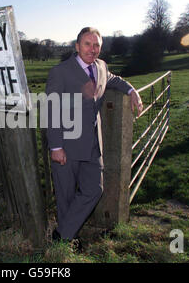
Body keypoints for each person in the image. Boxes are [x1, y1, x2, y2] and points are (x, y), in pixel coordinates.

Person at [46, 27, 143, 248]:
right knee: (66, 196)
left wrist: (131, 91)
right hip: (66, 145)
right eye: (88, 44)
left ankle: (61, 235)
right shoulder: (60, 72)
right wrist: (56, 147)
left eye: (96, 45)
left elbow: (113, 79)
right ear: (77, 46)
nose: (93, 49)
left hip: (92, 145)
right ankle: (65, 244)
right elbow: (50, 110)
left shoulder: (101, 66)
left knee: (94, 190)